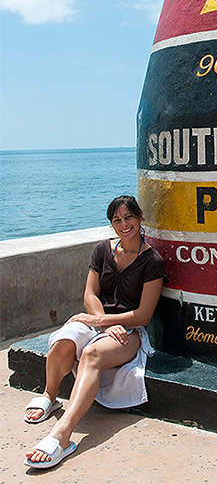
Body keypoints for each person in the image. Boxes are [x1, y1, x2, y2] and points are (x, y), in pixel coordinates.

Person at [23, 196, 164, 469]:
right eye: (117, 220)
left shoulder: (152, 261)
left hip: (129, 330)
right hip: (98, 320)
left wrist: (111, 324)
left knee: (92, 353)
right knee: (64, 342)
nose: (124, 225)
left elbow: (144, 314)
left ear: (140, 217)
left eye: (129, 218)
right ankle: (50, 396)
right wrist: (102, 322)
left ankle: (62, 436)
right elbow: (90, 293)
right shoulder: (102, 250)